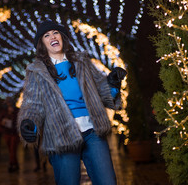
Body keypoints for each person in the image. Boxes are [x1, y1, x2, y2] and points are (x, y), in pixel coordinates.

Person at [17, 20, 127, 185]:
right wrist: (29, 123)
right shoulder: (36, 71)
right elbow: (33, 104)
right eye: (47, 35)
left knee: (108, 182)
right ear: (42, 43)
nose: (52, 36)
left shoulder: (82, 62)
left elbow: (103, 92)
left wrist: (112, 83)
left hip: (93, 132)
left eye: (55, 32)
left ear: (62, 37)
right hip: (61, 135)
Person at [0, 100, 20, 172]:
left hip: (14, 133)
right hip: (7, 133)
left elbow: (19, 121)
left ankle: (11, 164)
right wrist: (3, 122)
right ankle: (16, 164)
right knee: (11, 150)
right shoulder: (4, 112)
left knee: (12, 149)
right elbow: (0, 122)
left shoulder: (17, 111)